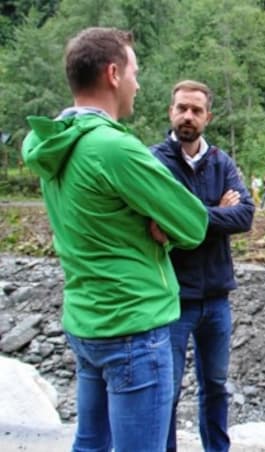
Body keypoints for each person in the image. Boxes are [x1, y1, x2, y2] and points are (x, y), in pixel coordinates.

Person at [21, 27, 208, 451]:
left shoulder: (50, 141)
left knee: (90, 444)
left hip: (87, 321)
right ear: (112, 73)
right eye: (134, 72)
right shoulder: (113, 149)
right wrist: (161, 230)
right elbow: (194, 224)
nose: (138, 84)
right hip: (135, 328)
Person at [151, 80, 255, 452]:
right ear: (171, 112)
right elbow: (156, 221)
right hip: (172, 296)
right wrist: (216, 212)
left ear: (207, 116)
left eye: (196, 110)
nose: (188, 116)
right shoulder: (154, 161)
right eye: (181, 108)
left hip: (216, 298)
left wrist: (185, 220)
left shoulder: (221, 162)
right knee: (168, 389)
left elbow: (244, 216)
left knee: (216, 386)